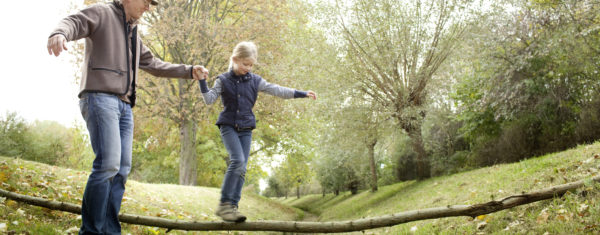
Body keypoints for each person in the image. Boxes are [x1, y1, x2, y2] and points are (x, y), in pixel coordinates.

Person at [47, 0, 208, 233]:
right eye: (145, 1)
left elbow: (152, 63)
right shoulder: (102, 12)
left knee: (121, 170)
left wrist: (188, 70)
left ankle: (110, 231)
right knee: (107, 165)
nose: (148, 7)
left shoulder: (132, 31)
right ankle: (91, 231)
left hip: (124, 106)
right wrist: (59, 33)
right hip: (100, 98)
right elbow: (74, 21)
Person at [198, 41, 317, 222]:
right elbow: (208, 99)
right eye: (245, 64)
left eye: (251, 65)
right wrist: (201, 81)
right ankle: (224, 205)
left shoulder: (255, 81)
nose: (248, 68)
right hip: (228, 126)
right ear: (235, 59)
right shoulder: (222, 80)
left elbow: (277, 90)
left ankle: (232, 208)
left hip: (246, 128)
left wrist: (301, 93)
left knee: (243, 168)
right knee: (237, 161)